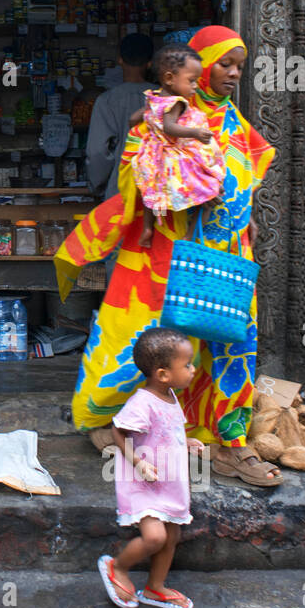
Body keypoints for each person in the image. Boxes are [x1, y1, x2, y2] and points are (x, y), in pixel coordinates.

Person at [54, 25, 280, 487]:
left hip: (229, 257)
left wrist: (246, 213)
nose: (234, 73)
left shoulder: (230, 117)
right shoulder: (167, 114)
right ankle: (113, 421)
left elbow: (242, 170)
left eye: (240, 65)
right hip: (171, 257)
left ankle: (229, 444)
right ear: (192, 67)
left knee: (235, 347)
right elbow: (135, 170)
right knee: (153, 343)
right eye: (224, 64)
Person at [97, 326, 202, 608]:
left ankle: (156, 587)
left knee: (172, 537)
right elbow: (117, 432)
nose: (193, 369)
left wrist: (187, 441)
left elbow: (166, 432)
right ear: (163, 374)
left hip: (169, 483)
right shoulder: (143, 402)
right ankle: (117, 567)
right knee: (155, 537)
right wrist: (138, 462)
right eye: (188, 364)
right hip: (145, 484)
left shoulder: (170, 396)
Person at [129, 44, 225, 247]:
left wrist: (147, 128)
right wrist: (195, 133)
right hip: (172, 157)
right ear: (170, 78)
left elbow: (133, 119)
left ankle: (148, 228)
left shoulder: (153, 99)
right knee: (211, 189)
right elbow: (169, 127)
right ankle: (190, 235)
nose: (196, 86)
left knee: (150, 193)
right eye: (191, 81)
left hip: (152, 155)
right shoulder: (177, 102)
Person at [86, 32, 155, 202]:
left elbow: (98, 152)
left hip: (119, 193)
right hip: (157, 193)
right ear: (149, 63)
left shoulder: (107, 101)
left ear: (120, 60)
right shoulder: (164, 98)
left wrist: (97, 186)